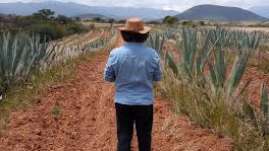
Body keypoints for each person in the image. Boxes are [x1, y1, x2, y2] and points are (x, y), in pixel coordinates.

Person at [104, 17, 162, 151]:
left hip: (123, 102)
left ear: (124, 34)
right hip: (145, 103)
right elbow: (157, 77)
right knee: (144, 138)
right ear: (144, 35)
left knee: (124, 137)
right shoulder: (152, 54)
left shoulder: (115, 54)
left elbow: (108, 77)